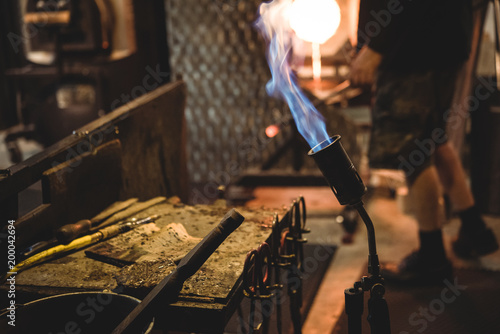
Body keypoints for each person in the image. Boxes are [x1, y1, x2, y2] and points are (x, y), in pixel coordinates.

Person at [350, 0, 498, 283]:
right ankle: (476, 231)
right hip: (438, 40)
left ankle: (433, 261)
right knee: (433, 137)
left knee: (413, 152)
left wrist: (376, 46)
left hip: (412, 49)